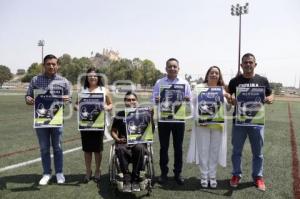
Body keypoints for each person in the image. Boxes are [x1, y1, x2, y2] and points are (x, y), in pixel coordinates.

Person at [227, 53, 273, 191]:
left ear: (255, 64)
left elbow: (271, 93)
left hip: (256, 122)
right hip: (239, 122)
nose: (248, 64)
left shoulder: (262, 80)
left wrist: (270, 98)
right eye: (245, 62)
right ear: (241, 65)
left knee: (258, 152)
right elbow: (227, 94)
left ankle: (258, 177)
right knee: (236, 151)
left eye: (250, 62)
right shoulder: (234, 81)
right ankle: (236, 175)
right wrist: (231, 99)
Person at [25, 54, 70, 185]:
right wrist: (28, 99)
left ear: (58, 66)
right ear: (43, 65)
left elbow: (68, 98)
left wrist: (68, 99)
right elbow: (28, 96)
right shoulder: (35, 80)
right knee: (44, 148)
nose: (51, 66)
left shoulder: (64, 81)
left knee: (58, 147)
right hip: (41, 120)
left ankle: (59, 172)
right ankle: (46, 173)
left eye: (54, 64)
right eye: (48, 64)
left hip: (56, 120)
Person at [187, 66, 231, 188]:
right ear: (207, 75)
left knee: (214, 151)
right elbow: (192, 104)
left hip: (217, 125)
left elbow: (227, 108)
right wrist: (198, 117)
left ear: (219, 76)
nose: (214, 75)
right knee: (203, 150)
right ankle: (204, 176)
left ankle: (212, 176)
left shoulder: (222, 89)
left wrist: (228, 98)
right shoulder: (199, 88)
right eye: (212, 72)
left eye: (216, 73)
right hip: (203, 125)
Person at [152, 58, 192, 185]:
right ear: (166, 68)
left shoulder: (185, 83)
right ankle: (164, 174)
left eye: (175, 66)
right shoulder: (159, 82)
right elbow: (153, 99)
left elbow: (190, 101)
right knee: (164, 148)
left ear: (178, 69)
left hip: (179, 120)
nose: (172, 68)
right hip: (164, 119)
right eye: (170, 66)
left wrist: (186, 99)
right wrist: (157, 99)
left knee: (178, 148)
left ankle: (177, 173)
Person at [74, 67, 113, 184]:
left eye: (95, 75)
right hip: (85, 124)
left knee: (97, 149)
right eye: (90, 75)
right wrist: (77, 107)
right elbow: (76, 105)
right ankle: (88, 171)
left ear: (98, 77)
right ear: (87, 77)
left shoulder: (104, 90)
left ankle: (97, 170)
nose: (92, 77)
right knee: (87, 149)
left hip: (99, 123)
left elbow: (111, 105)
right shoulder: (82, 90)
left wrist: (106, 107)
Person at [111, 91, 148, 192]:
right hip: (124, 142)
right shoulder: (120, 114)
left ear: (137, 101)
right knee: (121, 148)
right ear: (124, 101)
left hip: (138, 142)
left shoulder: (143, 113)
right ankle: (127, 179)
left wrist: (150, 117)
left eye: (133, 100)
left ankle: (135, 179)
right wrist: (118, 139)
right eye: (128, 100)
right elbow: (113, 131)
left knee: (140, 147)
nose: (131, 102)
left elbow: (150, 130)